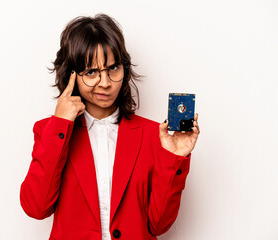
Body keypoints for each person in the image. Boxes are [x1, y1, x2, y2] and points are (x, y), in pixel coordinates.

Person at [20, 13, 200, 240]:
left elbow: (159, 225)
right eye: (91, 72)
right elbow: (36, 208)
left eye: (113, 69)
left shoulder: (154, 135)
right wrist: (60, 124)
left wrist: (175, 158)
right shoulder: (49, 131)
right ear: (71, 75)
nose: (105, 83)